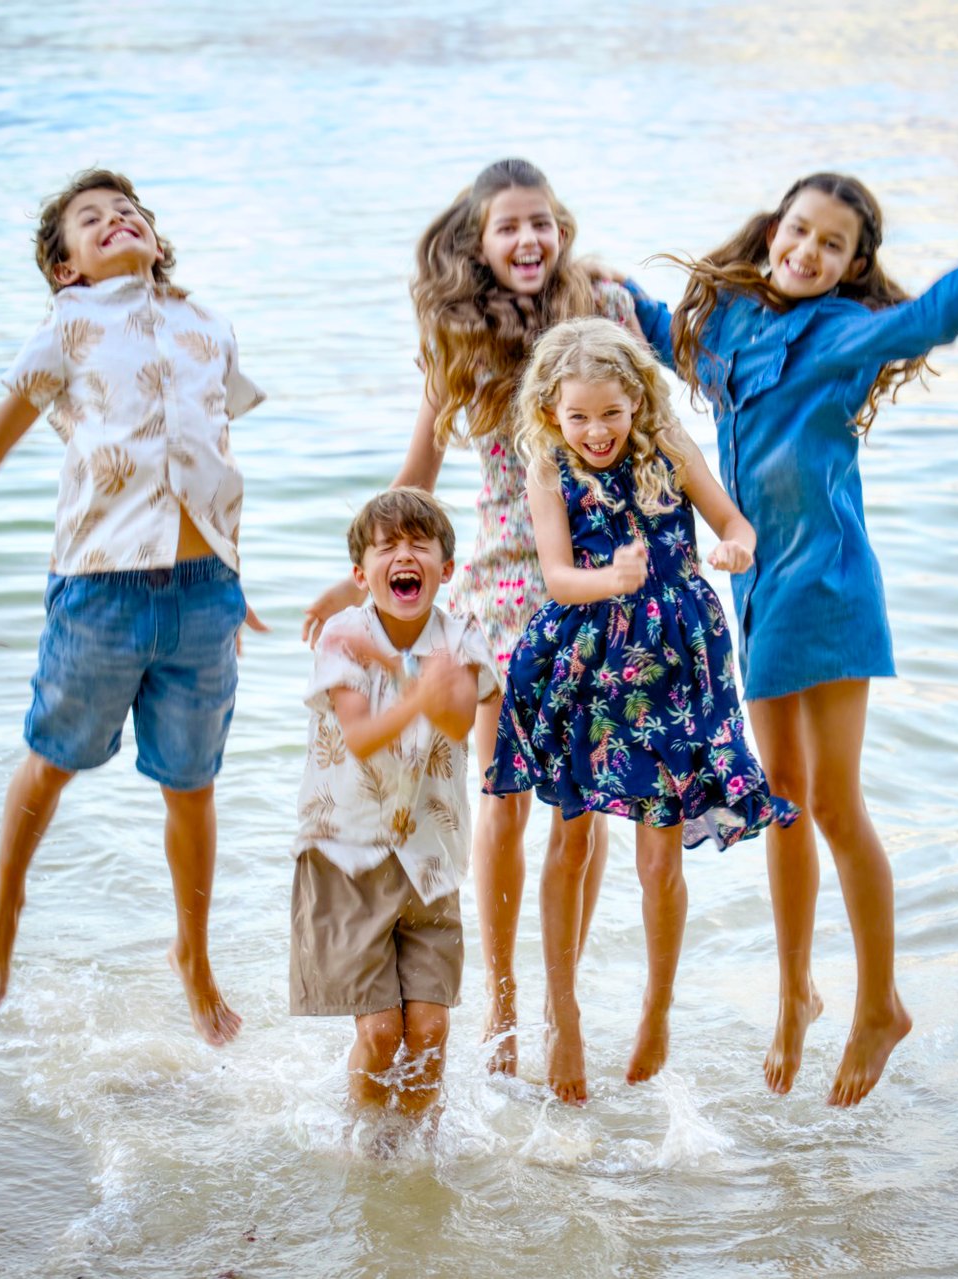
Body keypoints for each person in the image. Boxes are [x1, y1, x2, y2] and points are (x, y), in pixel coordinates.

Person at [624, 169, 958, 1105]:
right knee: (783, 800)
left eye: (830, 245)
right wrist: (611, 293)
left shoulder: (845, 334)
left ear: (853, 266)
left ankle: (879, 1002)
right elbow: (674, 346)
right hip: (759, 590)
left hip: (832, 590)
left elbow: (929, 318)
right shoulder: (727, 324)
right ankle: (796, 990)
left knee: (835, 807)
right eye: (798, 231)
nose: (806, 252)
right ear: (774, 230)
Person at [0, 168, 266, 1044]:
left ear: (155, 236)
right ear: (65, 267)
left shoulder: (207, 325)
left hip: (203, 595)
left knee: (193, 782)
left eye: (128, 212)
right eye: (91, 220)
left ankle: (194, 956)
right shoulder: (67, 328)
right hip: (100, 587)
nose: (116, 221)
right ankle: (4, 906)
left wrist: (232, 576)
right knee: (54, 756)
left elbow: (213, 452)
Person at [302, 159, 640, 1074]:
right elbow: (415, 476)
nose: (529, 240)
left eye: (542, 222)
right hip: (497, 594)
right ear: (478, 243)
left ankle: (563, 1002)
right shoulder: (458, 341)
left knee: (584, 807)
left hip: (599, 585)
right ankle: (500, 1003)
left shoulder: (607, 311)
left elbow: (653, 442)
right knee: (505, 799)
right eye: (509, 227)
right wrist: (354, 578)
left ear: (559, 227)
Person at [485, 317, 794, 1104]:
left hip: (672, 662)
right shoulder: (548, 465)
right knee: (572, 837)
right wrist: (612, 581)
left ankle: (656, 1008)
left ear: (638, 401)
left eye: (611, 414)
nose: (596, 431)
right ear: (552, 409)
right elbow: (555, 575)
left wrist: (734, 548)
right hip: (583, 658)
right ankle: (563, 1012)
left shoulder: (668, 446)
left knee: (659, 857)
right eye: (579, 414)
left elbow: (734, 521)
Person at [292, 489, 498, 1119]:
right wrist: (412, 686)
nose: (404, 555)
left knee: (430, 1031)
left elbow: (461, 719)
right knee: (382, 1035)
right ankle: (368, 1145)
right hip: (346, 857)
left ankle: (417, 1158)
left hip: (431, 862)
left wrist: (417, 678)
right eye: (388, 547)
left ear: (446, 569)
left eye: (419, 545)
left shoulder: (460, 634)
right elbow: (359, 736)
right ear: (361, 575)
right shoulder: (342, 635)